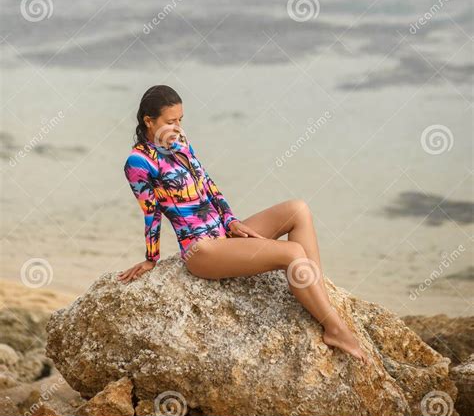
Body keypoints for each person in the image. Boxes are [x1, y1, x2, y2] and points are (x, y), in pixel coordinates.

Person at [118, 84, 367, 363]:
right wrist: (151, 259)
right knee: (293, 252)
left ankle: (318, 296)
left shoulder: (181, 145)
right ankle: (335, 328)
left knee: (298, 210)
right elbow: (150, 213)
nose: (177, 127)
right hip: (201, 251)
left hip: (224, 235)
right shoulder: (137, 163)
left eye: (181, 120)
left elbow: (210, 187)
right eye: (170, 122)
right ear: (149, 121)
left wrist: (232, 221)